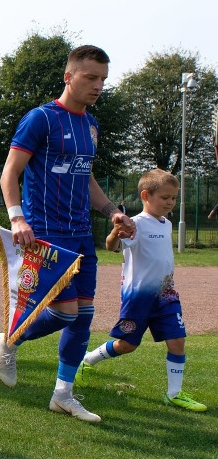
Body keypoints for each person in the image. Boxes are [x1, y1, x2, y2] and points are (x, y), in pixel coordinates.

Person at [0, 45, 136, 423]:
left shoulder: (91, 125)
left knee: (84, 315)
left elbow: (85, 176)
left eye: (103, 79)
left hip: (80, 233)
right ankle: (10, 339)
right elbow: (10, 172)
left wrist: (113, 212)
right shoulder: (40, 119)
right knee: (64, 313)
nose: (98, 85)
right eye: (91, 77)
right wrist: (16, 218)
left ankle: (63, 395)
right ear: (68, 77)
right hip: (44, 231)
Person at [75, 169, 206, 412]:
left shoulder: (166, 224)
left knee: (177, 341)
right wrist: (115, 232)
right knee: (127, 345)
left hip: (166, 295)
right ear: (146, 195)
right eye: (165, 197)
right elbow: (111, 246)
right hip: (138, 297)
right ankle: (86, 360)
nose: (170, 202)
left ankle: (174, 393)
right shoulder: (136, 224)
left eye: (174, 198)